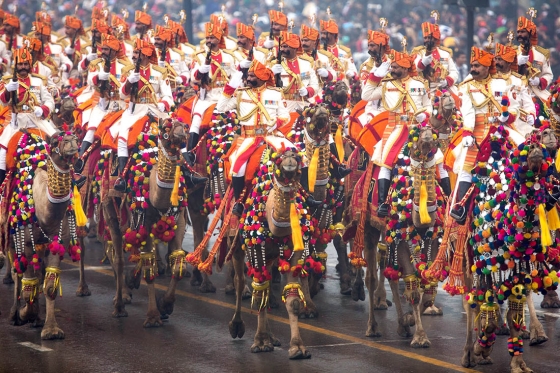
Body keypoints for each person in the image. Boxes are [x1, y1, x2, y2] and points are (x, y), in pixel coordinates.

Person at [449, 47, 524, 224]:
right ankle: (460, 207)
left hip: (501, 130)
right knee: (465, 166)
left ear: (486, 66)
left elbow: (514, 108)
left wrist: (508, 116)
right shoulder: (466, 87)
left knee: (522, 153)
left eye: (477, 66)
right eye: (472, 65)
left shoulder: (503, 84)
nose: (473, 69)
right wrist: (467, 132)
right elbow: (468, 113)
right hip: (477, 131)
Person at [361, 48, 435, 217]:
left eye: (395, 67)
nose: (392, 70)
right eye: (391, 67)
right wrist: (376, 76)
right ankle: (382, 204)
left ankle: (447, 203)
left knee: (437, 160)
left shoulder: (418, 84)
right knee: (386, 162)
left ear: (405, 68)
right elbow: (366, 96)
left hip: (417, 128)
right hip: (394, 128)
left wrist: (426, 114)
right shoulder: (386, 85)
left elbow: (428, 105)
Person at [0, 47, 57, 184]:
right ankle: (1, 185)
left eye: (26, 64)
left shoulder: (38, 82)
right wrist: (7, 90)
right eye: (20, 64)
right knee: (1, 150)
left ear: (30, 65)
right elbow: (2, 101)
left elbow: (50, 101)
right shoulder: (8, 81)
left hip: (37, 120)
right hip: (16, 121)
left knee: (57, 141)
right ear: (16, 65)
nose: (23, 67)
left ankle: (69, 179)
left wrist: (42, 109)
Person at [186, 20, 237, 160]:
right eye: (207, 38)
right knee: (197, 118)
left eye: (212, 37)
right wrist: (203, 69)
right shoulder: (199, 56)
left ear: (219, 38)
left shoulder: (229, 57)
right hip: (207, 97)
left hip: (225, 97)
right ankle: (190, 153)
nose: (209, 40)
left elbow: (236, 77)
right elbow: (194, 78)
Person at [494, 40, 536, 137]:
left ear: (509, 62)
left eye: (500, 59)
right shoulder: (490, 79)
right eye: (496, 59)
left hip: (518, 124)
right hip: (496, 123)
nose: (496, 62)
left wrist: (531, 114)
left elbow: (528, 103)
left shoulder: (519, 80)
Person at [269, 31, 319, 112]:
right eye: (281, 46)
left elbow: (315, 85)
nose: (282, 49)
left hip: (303, 106)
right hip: (283, 106)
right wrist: (271, 73)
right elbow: (265, 86)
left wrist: (307, 91)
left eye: (285, 47)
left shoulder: (306, 64)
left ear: (294, 47)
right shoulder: (275, 64)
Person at [412, 16, 459, 94]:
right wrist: (424, 61)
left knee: (456, 97)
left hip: (443, 87)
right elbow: (415, 69)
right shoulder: (418, 53)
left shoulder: (445, 54)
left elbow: (454, 72)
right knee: (412, 93)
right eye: (425, 38)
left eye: (429, 37)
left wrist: (447, 81)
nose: (427, 40)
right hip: (424, 89)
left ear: (435, 38)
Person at [516, 13, 554, 107]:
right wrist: (517, 63)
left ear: (531, 33)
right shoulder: (512, 52)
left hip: (537, 93)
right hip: (517, 93)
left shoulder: (541, 53)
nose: (520, 34)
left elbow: (548, 74)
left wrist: (539, 81)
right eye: (518, 32)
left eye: (523, 32)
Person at [319, 17, 358, 83]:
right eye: (321, 33)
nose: (322, 36)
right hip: (324, 88)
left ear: (333, 34)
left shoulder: (345, 51)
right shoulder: (318, 51)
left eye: (325, 33)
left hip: (343, 88)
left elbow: (354, 72)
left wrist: (352, 74)